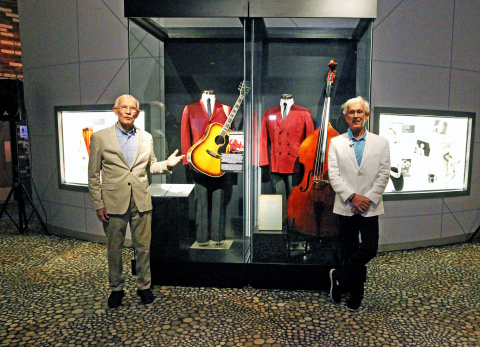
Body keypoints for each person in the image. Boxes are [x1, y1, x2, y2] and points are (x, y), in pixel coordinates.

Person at [88, 94, 184, 309]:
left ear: (138, 113)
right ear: (115, 110)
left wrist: (166, 164)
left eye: (133, 108)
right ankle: (116, 288)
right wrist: (98, 203)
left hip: (141, 200)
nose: (129, 111)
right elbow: (93, 175)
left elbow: (149, 167)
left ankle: (144, 286)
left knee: (143, 247)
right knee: (114, 248)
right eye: (124, 107)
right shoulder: (100, 138)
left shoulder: (146, 137)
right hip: (113, 202)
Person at [327, 96, 390, 311]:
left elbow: (384, 174)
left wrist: (367, 198)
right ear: (345, 116)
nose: (356, 115)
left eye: (359, 112)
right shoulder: (336, 142)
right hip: (346, 205)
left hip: (370, 206)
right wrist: (353, 197)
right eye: (351, 112)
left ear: (367, 115)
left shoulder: (381, 143)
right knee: (350, 249)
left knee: (369, 249)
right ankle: (356, 293)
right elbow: (333, 175)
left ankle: (339, 276)